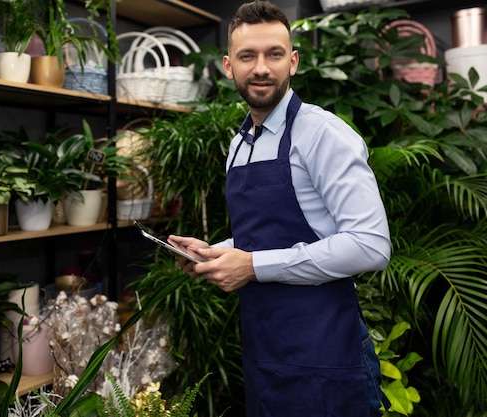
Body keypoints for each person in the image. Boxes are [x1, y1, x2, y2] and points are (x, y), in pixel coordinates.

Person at [167, 1, 392, 416]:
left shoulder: (323, 134)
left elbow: (371, 245)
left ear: (293, 62)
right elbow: (270, 235)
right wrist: (218, 253)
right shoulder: (239, 145)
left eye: (274, 54)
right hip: (263, 352)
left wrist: (252, 266)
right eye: (247, 56)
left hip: (327, 352)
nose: (261, 68)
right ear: (228, 66)